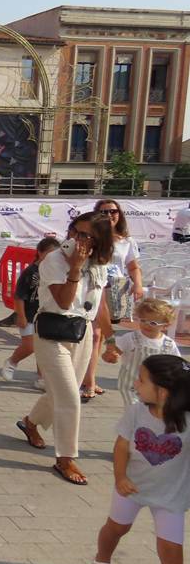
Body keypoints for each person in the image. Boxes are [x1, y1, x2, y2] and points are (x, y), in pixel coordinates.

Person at [89, 354, 190, 564]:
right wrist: (120, 477)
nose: (135, 383)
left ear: (164, 391)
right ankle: (102, 560)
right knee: (117, 527)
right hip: (131, 486)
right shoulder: (136, 412)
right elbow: (121, 446)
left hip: (172, 496)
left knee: (172, 554)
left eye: (142, 379)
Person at [16, 212, 114, 485]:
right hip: (51, 332)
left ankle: (30, 422)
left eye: (85, 235)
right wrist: (74, 268)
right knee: (70, 396)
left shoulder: (99, 265)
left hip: (80, 333)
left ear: (99, 240)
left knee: (59, 391)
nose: (76, 239)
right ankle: (65, 458)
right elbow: (62, 302)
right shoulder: (55, 259)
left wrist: (112, 339)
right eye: (74, 231)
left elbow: (100, 305)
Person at [82, 199, 144, 400]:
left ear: (119, 214)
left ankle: (87, 377)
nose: (109, 215)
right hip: (93, 287)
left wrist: (138, 284)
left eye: (113, 211)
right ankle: (88, 381)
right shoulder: (92, 237)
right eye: (104, 212)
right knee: (95, 335)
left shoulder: (127, 241)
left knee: (98, 335)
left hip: (116, 289)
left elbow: (133, 266)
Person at [2, 237, 61, 388]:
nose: (51, 258)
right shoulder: (30, 272)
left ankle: (42, 377)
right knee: (30, 346)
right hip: (27, 315)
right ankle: (12, 361)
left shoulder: (56, 271)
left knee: (44, 347)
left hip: (47, 315)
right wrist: (20, 316)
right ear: (40, 253)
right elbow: (19, 296)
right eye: (48, 253)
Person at [103, 298, 181, 405]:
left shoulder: (168, 344)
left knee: (149, 414)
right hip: (131, 386)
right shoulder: (131, 338)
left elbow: (177, 365)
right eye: (143, 320)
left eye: (153, 323)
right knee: (134, 409)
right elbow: (113, 351)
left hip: (155, 388)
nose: (147, 325)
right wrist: (111, 355)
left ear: (165, 325)